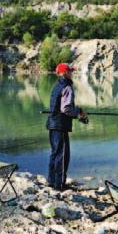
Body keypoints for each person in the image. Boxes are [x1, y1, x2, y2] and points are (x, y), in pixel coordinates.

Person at [45, 63, 88, 191]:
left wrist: (77, 114)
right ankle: (60, 185)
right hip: (60, 126)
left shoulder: (57, 86)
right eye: (70, 71)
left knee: (54, 154)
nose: (72, 73)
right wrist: (79, 111)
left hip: (52, 124)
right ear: (65, 73)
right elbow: (66, 109)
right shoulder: (67, 87)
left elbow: (58, 107)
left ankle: (51, 181)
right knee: (62, 156)